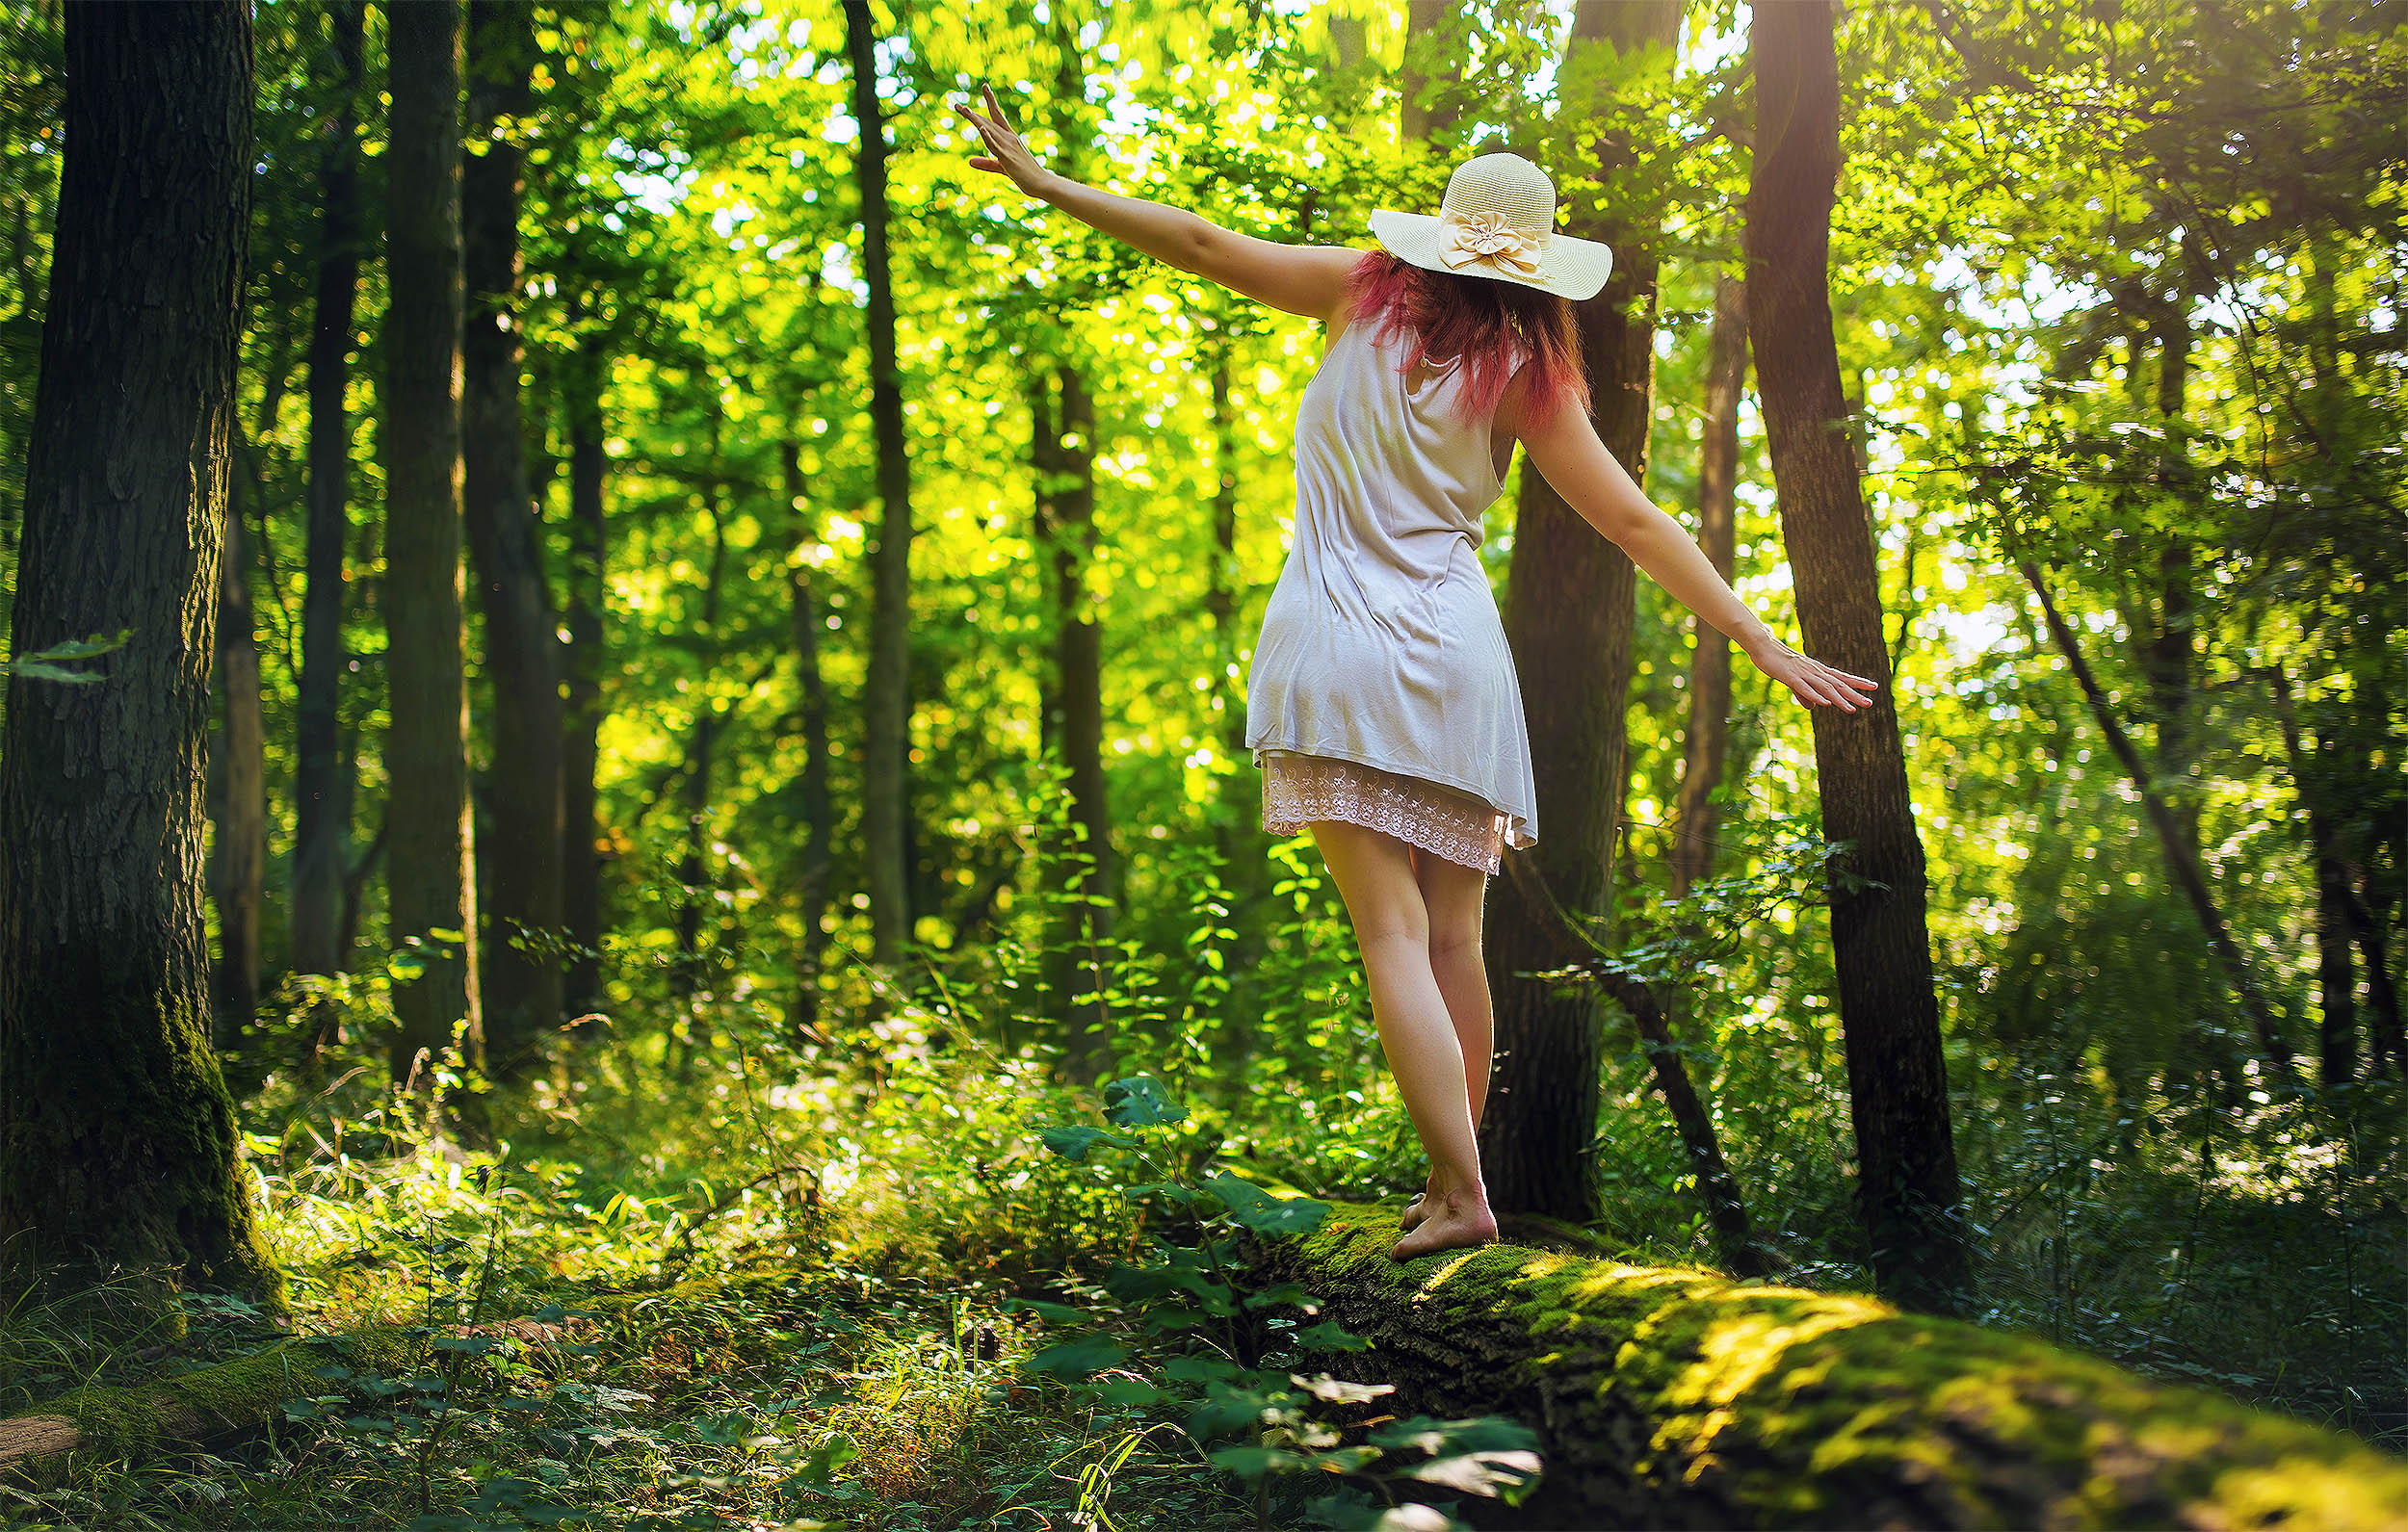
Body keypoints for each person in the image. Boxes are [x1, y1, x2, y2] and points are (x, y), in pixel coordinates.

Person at [955, 88, 1877, 1260]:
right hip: (1455, 659)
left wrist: (1053, 187)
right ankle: (1462, 1184)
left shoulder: (1357, 295)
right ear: (1539, 268)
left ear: (1438, 236)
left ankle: (1459, 1192)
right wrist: (1759, 637)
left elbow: (1195, 241)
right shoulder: (1529, 372)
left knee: (1390, 934)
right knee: (1453, 938)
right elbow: (1639, 525)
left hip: (1336, 645)